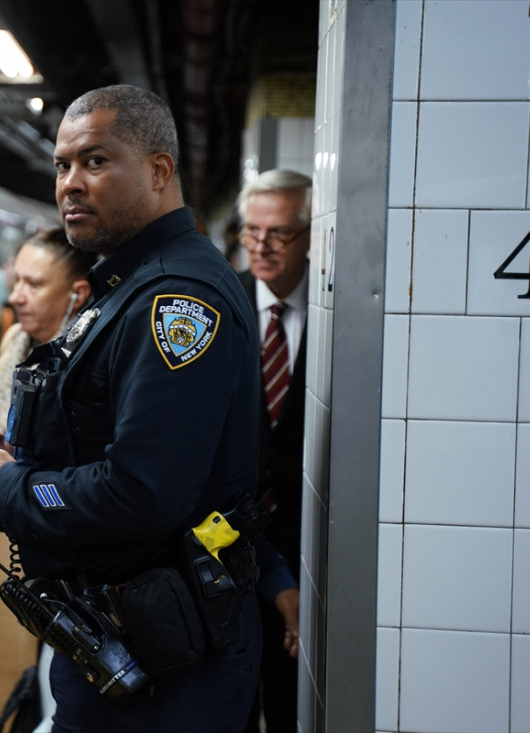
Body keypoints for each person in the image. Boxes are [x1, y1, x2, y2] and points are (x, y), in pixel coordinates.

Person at [0, 84, 262, 730]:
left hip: (167, 667)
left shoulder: (176, 302)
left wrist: (7, 486)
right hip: (126, 640)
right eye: (62, 165)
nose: (69, 183)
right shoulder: (124, 288)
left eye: (95, 161)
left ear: (158, 171)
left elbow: (141, 491)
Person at [0, 227, 95, 732]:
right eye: (17, 280)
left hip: (46, 573)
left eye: (34, 283)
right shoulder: (14, 344)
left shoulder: (86, 368)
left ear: (77, 293)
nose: (16, 295)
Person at [236, 169, 311, 733]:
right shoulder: (219, 305)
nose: (261, 246)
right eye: (251, 231)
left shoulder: (343, 312)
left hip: (311, 544)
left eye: (280, 233)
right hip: (229, 543)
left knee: (291, 704)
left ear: (312, 236)